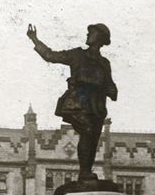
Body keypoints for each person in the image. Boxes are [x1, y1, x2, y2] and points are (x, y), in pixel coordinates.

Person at [27, 23, 117, 181]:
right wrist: (35, 39)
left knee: (93, 139)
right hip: (78, 103)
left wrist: (113, 91)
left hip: (97, 106)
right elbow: (50, 56)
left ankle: (87, 172)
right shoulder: (77, 55)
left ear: (100, 39)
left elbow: (110, 83)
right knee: (87, 131)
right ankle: (84, 172)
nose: (88, 34)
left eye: (92, 33)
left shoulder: (104, 63)